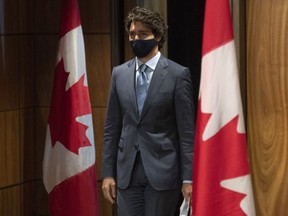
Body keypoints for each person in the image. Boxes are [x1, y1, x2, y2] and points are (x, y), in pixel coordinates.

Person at [101, 6, 195, 216]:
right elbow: (111, 128)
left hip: (162, 173)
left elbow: (187, 133)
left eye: (143, 34)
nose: (136, 39)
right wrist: (108, 174)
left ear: (158, 36)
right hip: (127, 173)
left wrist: (188, 178)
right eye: (132, 34)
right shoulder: (119, 74)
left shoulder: (177, 74)